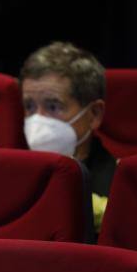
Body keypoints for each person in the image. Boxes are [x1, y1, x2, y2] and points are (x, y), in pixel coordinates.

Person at [20, 42, 115, 231]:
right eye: (29, 107)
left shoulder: (120, 188)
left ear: (94, 114)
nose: (38, 119)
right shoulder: (8, 177)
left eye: (53, 107)